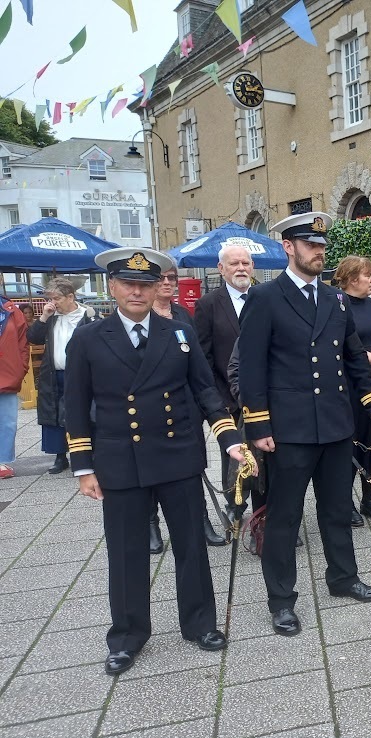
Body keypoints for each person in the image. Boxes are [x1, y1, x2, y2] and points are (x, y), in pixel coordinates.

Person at [63, 247, 249, 676]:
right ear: (112, 287)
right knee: (126, 553)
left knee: (191, 545)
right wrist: (84, 467)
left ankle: (200, 623)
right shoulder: (90, 339)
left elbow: (206, 390)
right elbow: (75, 407)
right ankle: (127, 636)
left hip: (177, 454)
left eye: (145, 284)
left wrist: (229, 439)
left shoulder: (177, 335)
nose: (137, 291)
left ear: (154, 289)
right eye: (128, 283)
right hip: (120, 461)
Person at [239, 211, 371, 637]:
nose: (319, 252)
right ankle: (282, 600)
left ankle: (342, 577)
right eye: (310, 245)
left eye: (322, 246)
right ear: (288, 247)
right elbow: (251, 369)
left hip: (337, 427)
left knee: (337, 509)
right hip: (288, 431)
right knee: (284, 518)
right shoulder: (264, 298)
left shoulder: (335, 300)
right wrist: (258, 426)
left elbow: (354, 359)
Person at [148, 262, 224, 550]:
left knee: (194, 466)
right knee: (153, 469)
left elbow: (198, 362)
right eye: (161, 278)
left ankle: (201, 520)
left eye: (172, 278)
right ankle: (151, 524)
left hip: (186, 406)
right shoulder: (143, 316)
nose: (167, 283)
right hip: (152, 409)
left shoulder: (183, 315)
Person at [194, 245, 267, 523]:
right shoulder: (209, 304)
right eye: (234, 263)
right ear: (221, 269)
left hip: (262, 398)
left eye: (246, 263)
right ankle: (235, 505)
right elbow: (204, 359)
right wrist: (220, 400)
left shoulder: (265, 298)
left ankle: (263, 515)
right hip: (228, 400)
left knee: (265, 457)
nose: (241, 268)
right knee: (234, 456)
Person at [332, 255, 371, 527]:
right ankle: (345, 503)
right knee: (351, 446)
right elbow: (337, 348)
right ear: (353, 279)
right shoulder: (336, 305)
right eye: (368, 275)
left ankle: (368, 497)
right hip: (350, 388)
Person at [27, 278, 100, 475]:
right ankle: (60, 456)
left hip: (81, 374)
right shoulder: (50, 317)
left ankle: (90, 452)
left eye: (57, 298)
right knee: (54, 414)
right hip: (54, 373)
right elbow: (32, 338)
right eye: (49, 298)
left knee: (84, 411)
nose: (53, 303)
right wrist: (43, 317)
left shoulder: (89, 315)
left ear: (71, 296)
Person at [0, 295, 28, 479]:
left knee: (7, 421)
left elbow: (23, 344)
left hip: (7, 373)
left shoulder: (11, 310)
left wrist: (21, 367)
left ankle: (1, 460)